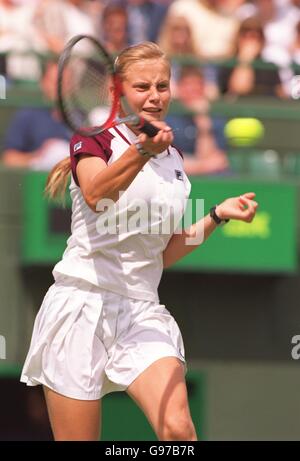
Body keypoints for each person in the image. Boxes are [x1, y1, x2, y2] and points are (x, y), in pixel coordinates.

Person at [20, 42, 258, 441]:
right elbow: (97, 194)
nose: (154, 96)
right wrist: (142, 151)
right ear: (118, 92)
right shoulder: (93, 140)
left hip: (141, 311)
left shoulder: (176, 161)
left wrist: (216, 216)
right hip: (80, 306)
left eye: (162, 86)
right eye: (143, 86)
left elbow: (160, 253)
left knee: (179, 431)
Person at [2, 60, 71, 169]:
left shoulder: (81, 117)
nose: (59, 88)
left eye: (64, 83)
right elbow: (9, 159)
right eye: (54, 82)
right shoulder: (27, 115)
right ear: (43, 83)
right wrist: (38, 156)